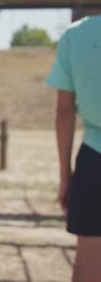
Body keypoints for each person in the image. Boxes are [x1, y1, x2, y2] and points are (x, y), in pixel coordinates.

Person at [47, 15, 101, 282]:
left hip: (94, 161)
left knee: (89, 268)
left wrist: (65, 178)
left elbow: (63, 110)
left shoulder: (76, 36)